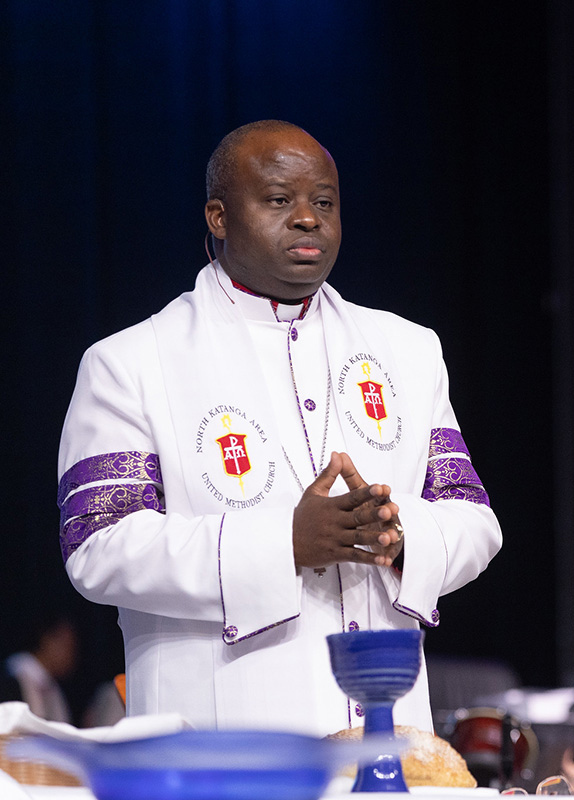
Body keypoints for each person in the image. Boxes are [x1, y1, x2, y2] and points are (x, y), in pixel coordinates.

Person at [56, 120, 502, 735]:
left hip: (388, 744)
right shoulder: (133, 362)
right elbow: (97, 546)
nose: (307, 219)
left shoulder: (408, 350)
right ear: (218, 216)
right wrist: (281, 543)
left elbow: (473, 517)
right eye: (278, 200)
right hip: (221, 748)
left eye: (324, 202)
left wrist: (401, 535)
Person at [4, 614, 78, 723]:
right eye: (68, 646)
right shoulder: (12, 676)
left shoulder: (51, 685)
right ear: (47, 640)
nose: (72, 655)